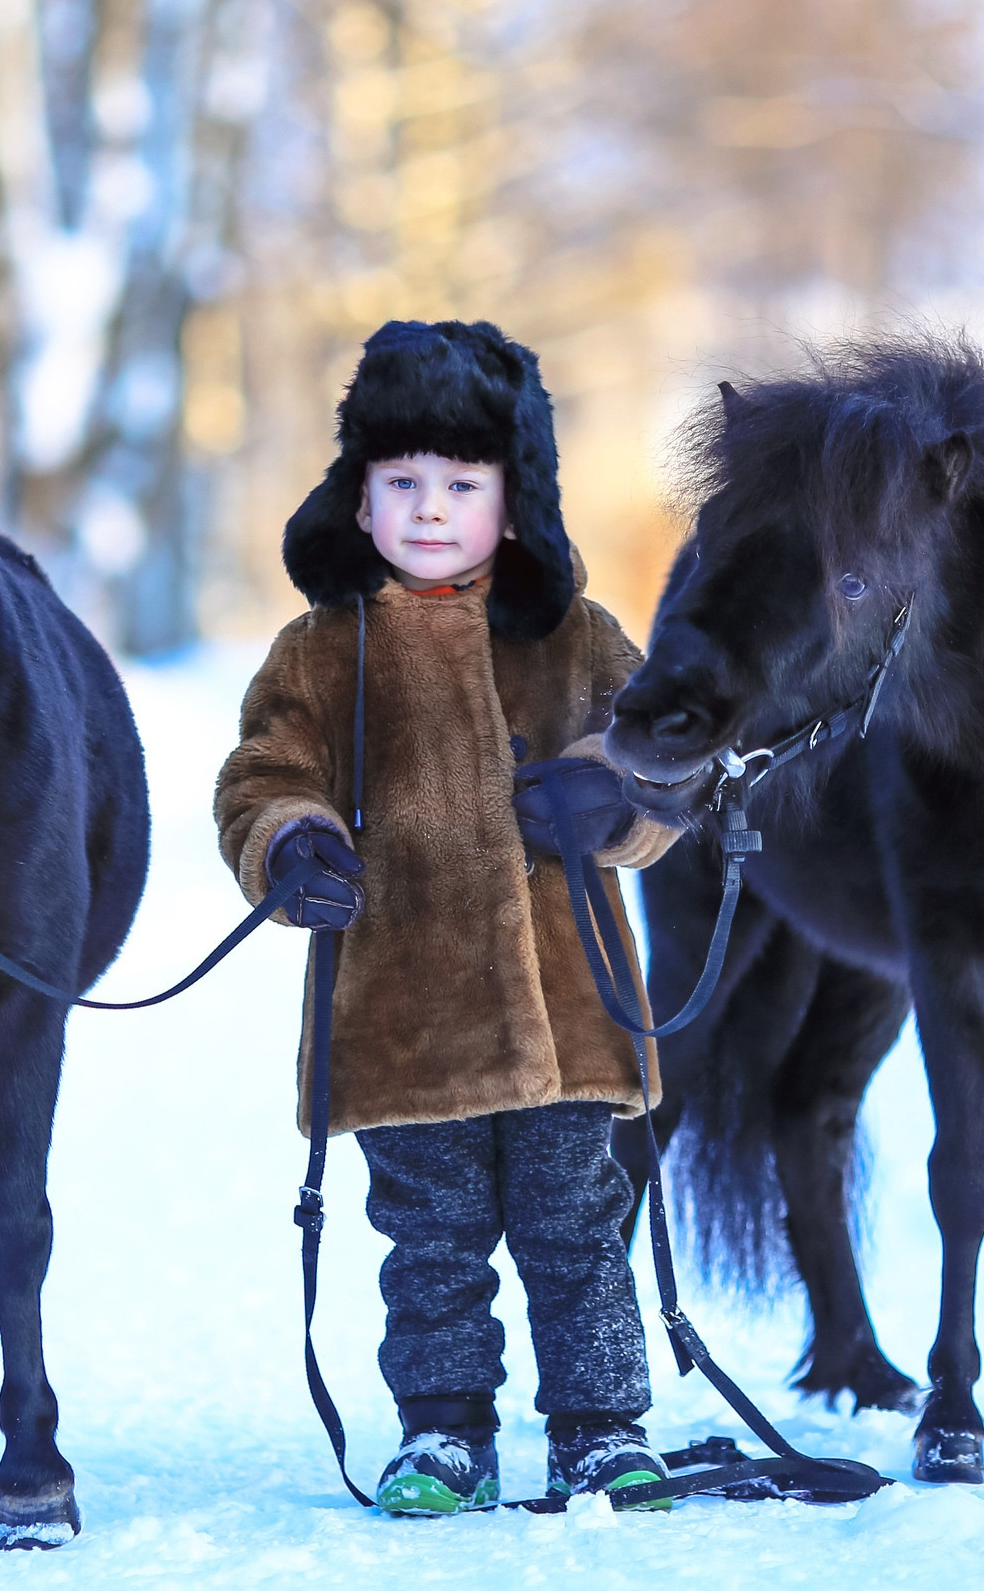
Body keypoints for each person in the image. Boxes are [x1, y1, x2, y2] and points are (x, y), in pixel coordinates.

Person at [214, 319, 684, 1516]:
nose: (430, 509)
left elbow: (665, 763)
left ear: (514, 503)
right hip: (401, 1025)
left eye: (461, 484)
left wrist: (612, 796)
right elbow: (261, 775)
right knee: (429, 1248)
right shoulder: (323, 651)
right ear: (358, 502)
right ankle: (444, 1434)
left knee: (578, 1231)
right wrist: (291, 844)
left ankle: (600, 1428)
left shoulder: (578, 640)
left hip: (568, 1025)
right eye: (402, 483)